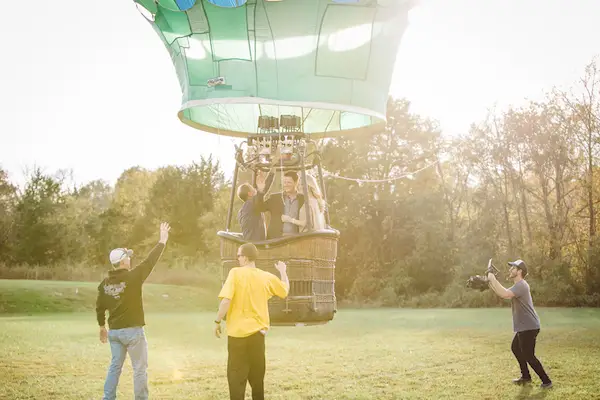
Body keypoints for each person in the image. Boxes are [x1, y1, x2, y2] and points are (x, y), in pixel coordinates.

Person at [96, 222, 171, 400]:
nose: (130, 259)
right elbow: (150, 261)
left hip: (114, 332)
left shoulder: (104, 283)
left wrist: (101, 326)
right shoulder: (133, 277)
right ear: (122, 261)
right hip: (133, 332)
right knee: (139, 369)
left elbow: (100, 307)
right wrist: (162, 241)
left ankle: (108, 398)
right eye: (128, 257)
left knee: (115, 367)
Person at [214, 243, 289, 400]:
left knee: (236, 381)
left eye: (239, 255)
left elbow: (226, 300)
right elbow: (284, 290)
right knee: (257, 381)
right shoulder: (265, 277)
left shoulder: (235, 273)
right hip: (257, 335)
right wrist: (283, 271)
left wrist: (217, 321)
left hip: (237, 336)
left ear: (246, 257)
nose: (238, 258)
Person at [487, 259, 553, 389]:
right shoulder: (518, 286)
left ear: (520, 271)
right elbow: (502, 293)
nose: (510, 270)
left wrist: (491, 278)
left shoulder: (521, 285)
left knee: (529, 355)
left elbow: (505, 294)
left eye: (513, 268)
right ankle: (526, 376)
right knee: (516, 348)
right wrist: (490, 282)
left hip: (529, 327)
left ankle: (547, 381)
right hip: (525, 326)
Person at [257, 171, 304, 239]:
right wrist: (260, 191)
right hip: (276, 240)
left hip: (296, 240)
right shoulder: (275, 198)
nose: (286, 185)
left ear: (296, 182)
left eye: (289, 182)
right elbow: (260, 208)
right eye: (284, 182)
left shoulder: (302, 199)